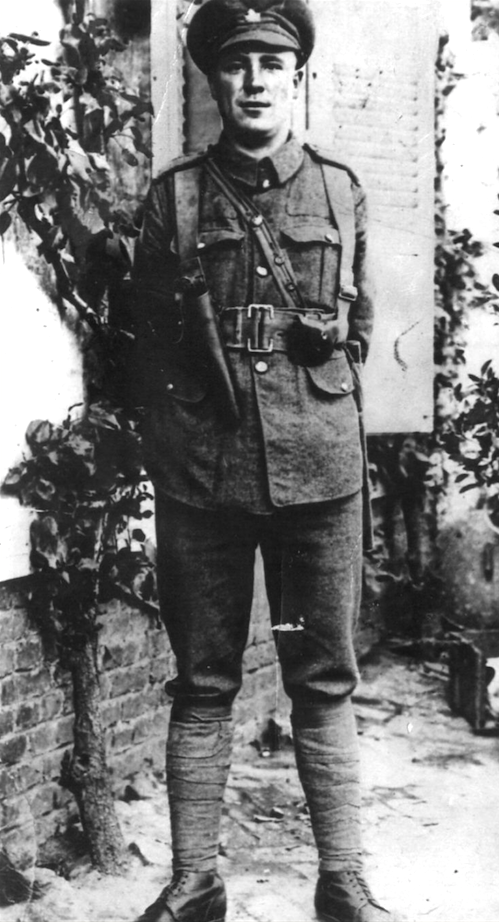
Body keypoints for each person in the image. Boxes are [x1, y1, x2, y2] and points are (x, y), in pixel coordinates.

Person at [132, 2, 402, 920]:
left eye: (271, 64)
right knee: (203, 679)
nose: (253, 80)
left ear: (296, 78)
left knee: (322, 678)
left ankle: (342, 880)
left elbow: (360, 320)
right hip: (201, 472)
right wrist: (175, 434)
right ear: (213, 79)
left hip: (317, 467)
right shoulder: (173, 197)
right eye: (236, 63)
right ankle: (194, 880)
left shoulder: (339, 189)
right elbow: (143, 345)